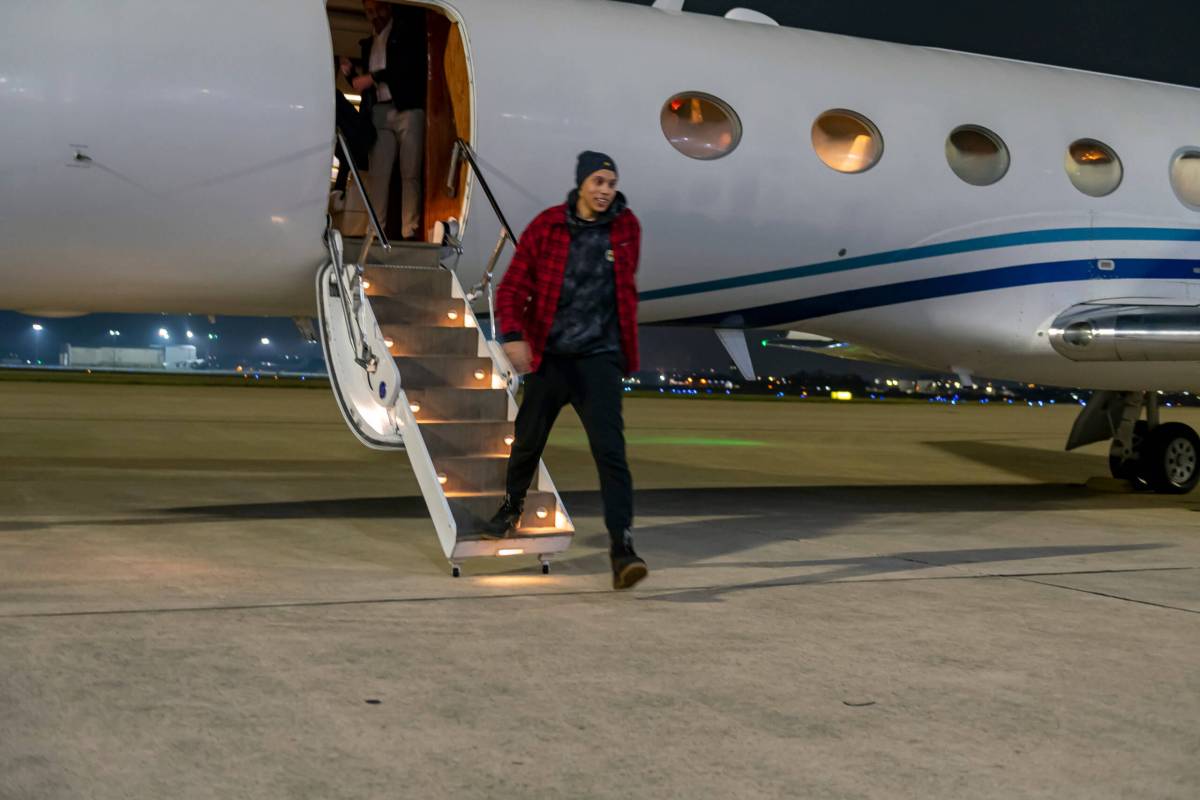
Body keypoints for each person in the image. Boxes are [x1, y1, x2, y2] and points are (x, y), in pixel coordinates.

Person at [486, 152, 647, 591]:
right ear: (580, 183)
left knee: (612, 454)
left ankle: (622, 549)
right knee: (528, 440)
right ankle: (511, 506)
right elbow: (513, 286)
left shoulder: (626, 227)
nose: (604, 190)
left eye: (610, 183)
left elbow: (624, 289)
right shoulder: (547, 226)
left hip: (600, 357)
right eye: (597, 181)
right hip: (552, 355)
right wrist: (515, 335)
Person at [353, 0, 427, 240]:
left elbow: (404, 67)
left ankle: (410, 230)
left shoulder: (405, 32)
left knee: (410, 172)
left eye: (377, 9)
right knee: (379, 174)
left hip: (408, 108)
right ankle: (375, 230)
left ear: (389, 7)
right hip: (380, 109)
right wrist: (351, 75)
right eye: (369, 12)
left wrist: (373, 78)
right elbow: (366, 83)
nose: (374, 15)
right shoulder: (369, 43)